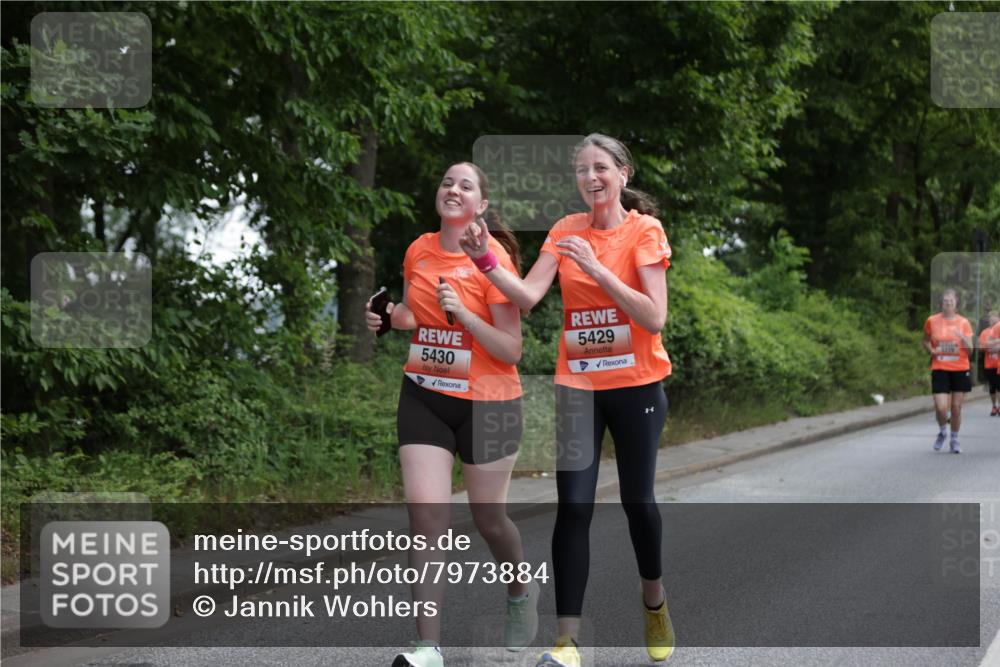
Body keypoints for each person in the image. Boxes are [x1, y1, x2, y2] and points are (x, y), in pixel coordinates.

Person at [459, 133, 674, 666]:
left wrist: (600, 271)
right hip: (579, 386)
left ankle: (654, 602)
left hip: (637, 386)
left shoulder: (643, 231)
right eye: (582, 170)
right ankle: (568, 641)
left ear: (623, 174)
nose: (590, 178)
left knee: (637, 504)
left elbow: (654, 317)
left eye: (600, 167)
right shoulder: (563, 231)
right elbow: (528, 297)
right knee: (573, 508)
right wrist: (485, 257)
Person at [365, 162, 539, 667]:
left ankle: (519, 592)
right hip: (424, 393)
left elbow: (510, 349)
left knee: (490, 520)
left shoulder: (491, 258)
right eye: (446, 181)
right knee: (426, 517)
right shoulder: (419, 249)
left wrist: (463, 315)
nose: (453, 189)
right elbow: (416, 316)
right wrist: (385, 317)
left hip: (489, 400)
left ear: (481, 206)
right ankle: (428, 647)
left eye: (466, 185)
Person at [922, 289, 974, 453]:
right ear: (941, 303)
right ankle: (943, 431)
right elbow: (925, 340)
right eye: (945, 301)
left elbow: (971, 350)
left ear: (956, 304)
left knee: (956, 408)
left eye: (951, 302)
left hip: (960, 368)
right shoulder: (932, 320)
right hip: (940, 367)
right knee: (941, 407)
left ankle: (954, 439)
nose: (948, 304)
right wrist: (931, 350)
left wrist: (962, 337)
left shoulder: (964, 322)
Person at [981, 311, 1000, 416]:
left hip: (999, 364)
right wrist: (991, 348)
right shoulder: (985, 332)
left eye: (994, 318)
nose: (992, 320)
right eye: (990, 318)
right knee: (992, 387)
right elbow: (983, 346)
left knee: (999, 386)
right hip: (989, 364)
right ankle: (994, 406)